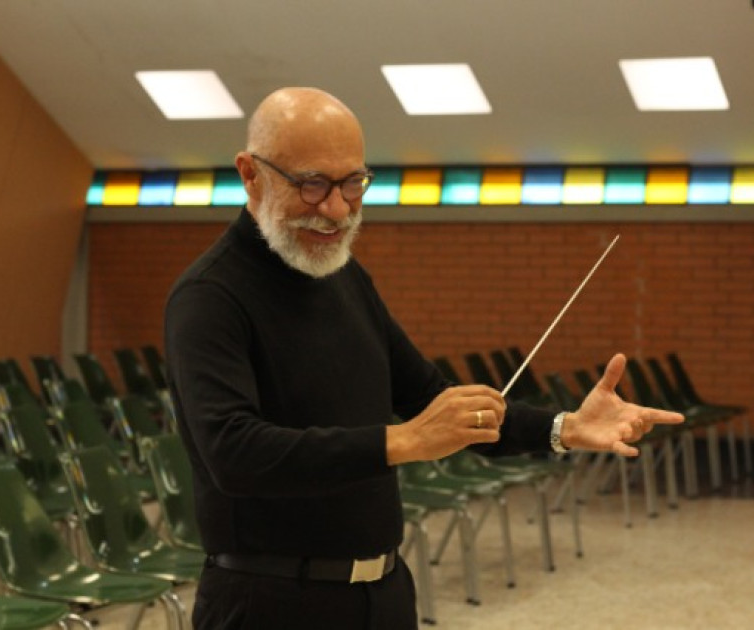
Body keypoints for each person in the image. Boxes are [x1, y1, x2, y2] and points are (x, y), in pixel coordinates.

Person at [164, 86, 683, 630]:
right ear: (250, 174)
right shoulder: (209, 296)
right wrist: (404, 440)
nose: (337, 209)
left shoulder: (344, 277)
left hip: (382, 592)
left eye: (353, 183)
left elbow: (434, 401)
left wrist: (565, 427)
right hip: (267, 603)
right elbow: (233, 453)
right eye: (312, 184)